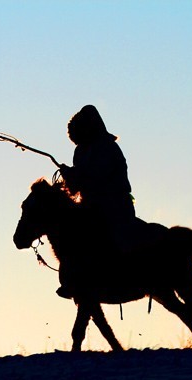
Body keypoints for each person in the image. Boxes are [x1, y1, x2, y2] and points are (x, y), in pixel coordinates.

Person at [56, 105, 142, 298]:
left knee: (107, 233)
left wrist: (74, 174)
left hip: (115, 205)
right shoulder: (80, 151)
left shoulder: (108, 147)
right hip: (90, 206)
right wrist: (69, 176)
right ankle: (72, 278)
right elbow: (77, 187)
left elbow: (97, 177)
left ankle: (123, 273)